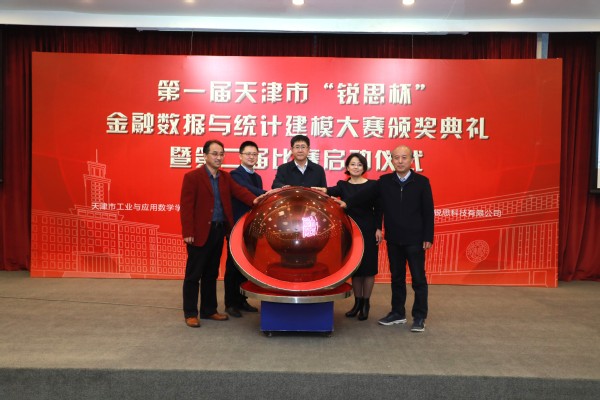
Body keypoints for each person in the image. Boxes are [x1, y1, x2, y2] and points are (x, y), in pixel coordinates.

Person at [340, 145, 434, 332]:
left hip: (415, 239)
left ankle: (419, 316)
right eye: (396, 158)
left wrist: (428, 236)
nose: (400, 161)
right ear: (391, 160)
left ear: (411, 160)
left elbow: (428, 211)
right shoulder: (384, 181)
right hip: (394, 238)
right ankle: (398, 313)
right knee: (397, 278)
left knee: (418, 279)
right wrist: (346, 203)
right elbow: (364, 195)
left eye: (404, 157)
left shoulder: (422, 182)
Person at [179, 140, 262, 328]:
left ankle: (209, 310)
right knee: (193, 274)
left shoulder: (225, 177)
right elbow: (186, 207)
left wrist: (258, 200)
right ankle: (190, 313)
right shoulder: (192, 177)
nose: (218, 157)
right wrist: (188, 231)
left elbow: (241, 193)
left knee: (211, 273)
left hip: (218, 231)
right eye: (215, 154)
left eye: (221, 154)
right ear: (205, 155)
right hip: (199, 233)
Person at [315, 153, 382, 321]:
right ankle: (357, 303)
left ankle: (366, 304)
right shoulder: (342, 185)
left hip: (368, 229)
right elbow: (330, 191)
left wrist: (378, 228)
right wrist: (323, 190)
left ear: (364, 167)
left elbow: (379, 208)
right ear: (347, 167)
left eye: (359, 164)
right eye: (352, 164)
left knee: (368, 269)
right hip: (350, 231)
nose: (356, 167)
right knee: (356, 269)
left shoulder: (373, 185)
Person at [224, 141, 266, 318]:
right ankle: (230, 303)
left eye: (254, 154)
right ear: (240, 156)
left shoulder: (257, 177)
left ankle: (242, 300)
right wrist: (267, 193)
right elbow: (250, 191)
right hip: (236, 227)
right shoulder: (235, 175)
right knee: (233, 266)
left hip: (250, 227)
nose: (251, 157)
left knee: (246, 265)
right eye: (248, 154)